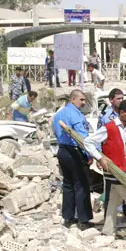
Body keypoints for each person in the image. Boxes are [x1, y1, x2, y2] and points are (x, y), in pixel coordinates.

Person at [84, 100, 126, 237]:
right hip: (115, 172)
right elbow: (88, 142)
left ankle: (107, 230)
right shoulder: (109, 128)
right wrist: (99, 158)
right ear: (122, 113)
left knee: (113, 201)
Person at [52, 90, 94, 226]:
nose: (83, 103)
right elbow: (82, 138)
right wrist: (89, 154)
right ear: (73, 100)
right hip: (75, 152)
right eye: (81, 100)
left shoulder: (59, 114)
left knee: (68, 184)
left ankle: (68, 217)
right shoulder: (76, 115)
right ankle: (84, 219)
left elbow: (56, 132)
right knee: (81, 185)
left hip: (63, 151)